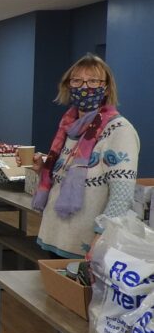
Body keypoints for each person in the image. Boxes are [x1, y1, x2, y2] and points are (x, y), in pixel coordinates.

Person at [27, 54, 139, 258]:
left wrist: (101, 237)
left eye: (93, 81)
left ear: (106, 87)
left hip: (86, 245)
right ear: (68, 86)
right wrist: (44, 168)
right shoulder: (69, 127)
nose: (85, 87)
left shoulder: (119, 130)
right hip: (55, 234)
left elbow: (122, 195)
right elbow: (69, 173)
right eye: (77, 80)